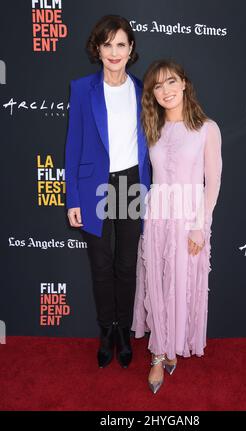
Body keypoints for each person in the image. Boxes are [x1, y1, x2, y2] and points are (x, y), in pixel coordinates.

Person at [65, 15, 150, 369]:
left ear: (131, 49)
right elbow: (73, 145)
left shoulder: (145, 91)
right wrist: (73, 198)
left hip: (130, 183)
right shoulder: (82, 89)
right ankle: (106, 330)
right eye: (107, 44)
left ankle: (124, 333)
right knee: (101, 265)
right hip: (93, 185)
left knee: (126, 265)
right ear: (97, 49)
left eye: (121, 44)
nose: (114, 52)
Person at [131, 60, 222, 393]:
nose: (165, 91)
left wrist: (200, 227)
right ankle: (158, 354)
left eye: (171, 82)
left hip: (189, 218)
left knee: (180, 285)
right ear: (152, 94)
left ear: (184, 84)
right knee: (157, 282)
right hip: (157, 216)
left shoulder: (207, 128)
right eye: (157, 86)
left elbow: (212, 182)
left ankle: (171, 348)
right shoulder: (152, 128)